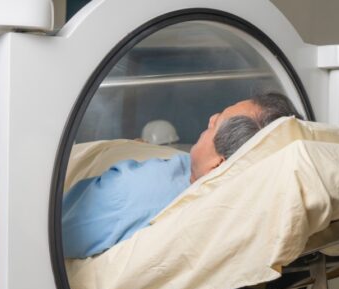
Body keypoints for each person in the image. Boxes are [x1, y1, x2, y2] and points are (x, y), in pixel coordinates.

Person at [62, 92, 302, 258]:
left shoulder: (133, 195)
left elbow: (55, 238)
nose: (210, 118)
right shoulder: (204, 177)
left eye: (215, 124)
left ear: (218, 166)